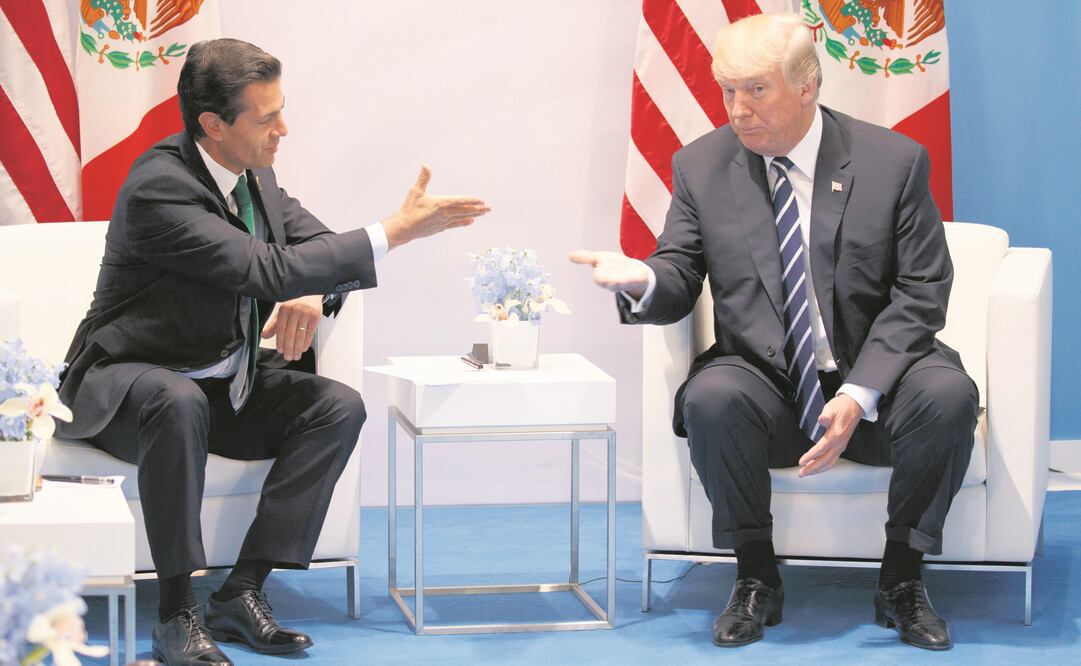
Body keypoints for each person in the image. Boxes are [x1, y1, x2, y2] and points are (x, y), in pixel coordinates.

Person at [57, 38, 489, 665]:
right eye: (267, 118)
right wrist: (393, 231)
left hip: (218, 388)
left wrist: (313, 291)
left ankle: (242, 591)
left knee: (336, 405)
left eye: (281, 111)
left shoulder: (255, 177)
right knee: (176, 400)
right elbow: (267, 269)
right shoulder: (160, 188)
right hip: (130, 388)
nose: (283, 129)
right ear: (213, 125)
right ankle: (177, 615)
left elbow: (313, 251)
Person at [572, 12, 976, 652]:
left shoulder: (892, 162)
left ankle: (902, 576)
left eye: (756, 89)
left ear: (808, 83)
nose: (738, 108)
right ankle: (756, 576)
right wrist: (642, 281)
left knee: (947, 395)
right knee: (712, 397)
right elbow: (679, 271)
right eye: (727, 90)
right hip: (769, 384)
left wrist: (859, 393)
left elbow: (923, 291)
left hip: (878, 384)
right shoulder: (701, 167)